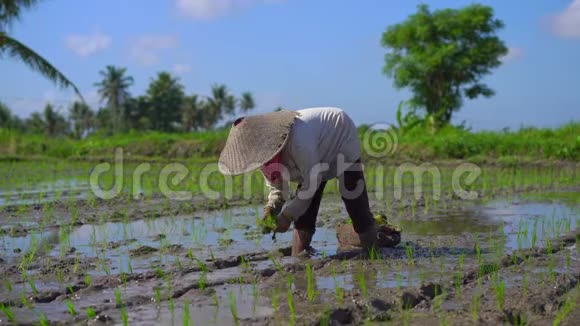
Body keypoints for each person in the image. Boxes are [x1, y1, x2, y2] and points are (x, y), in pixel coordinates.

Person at [218, 107, 379, 256]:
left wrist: (287, 216)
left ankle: (373, 249)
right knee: (304, 214)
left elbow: (312, 182)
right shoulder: (264, 157)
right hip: (315, 154)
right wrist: (272, 207)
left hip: (339, 135)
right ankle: (300, 255)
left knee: (353, 197)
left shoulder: (299, 141)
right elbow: (277, 187)